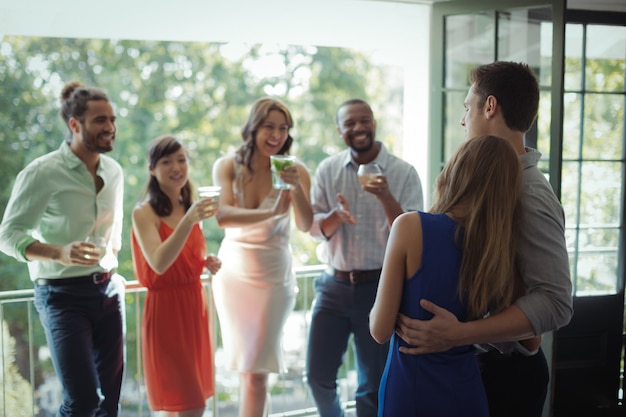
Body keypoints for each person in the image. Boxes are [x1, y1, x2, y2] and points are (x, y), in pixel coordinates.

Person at [395, 61, 573, 417]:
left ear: (489, 107)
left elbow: (556, 303)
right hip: (468, 369)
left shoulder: (530, 193)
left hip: (505, 377)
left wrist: (459, 334)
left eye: (466, 108)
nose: (463, 121)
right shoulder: (482, 183)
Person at [371, 134, 529, 417]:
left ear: (456, 171)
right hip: (466, 393)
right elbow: (532, 339)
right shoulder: (502, 249)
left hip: (410, 391)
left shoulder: (410, 226)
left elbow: (380, 330)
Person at [0, 82, 125, 416]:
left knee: (110, 402)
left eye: (112, 119)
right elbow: (8, 234)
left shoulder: (114, 172)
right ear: (75, 125)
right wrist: (58, 252)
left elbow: (115, 232)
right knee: (83, 400)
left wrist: (112, 267)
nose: (110, 127)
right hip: (62, 296)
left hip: (109, 292)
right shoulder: (43, 172)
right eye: (100, 120)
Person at [306, 98, 423, 417]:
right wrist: (335, 216)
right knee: (317, 378)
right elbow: (314, 228)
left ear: (374, 122)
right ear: (339, 130)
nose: (358, 127)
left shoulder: (403, 172)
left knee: (371, 386)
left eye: (365, 120)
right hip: (333, 287)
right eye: (350, 123)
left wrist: (386, 197)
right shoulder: (328, 170)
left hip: (380, 288)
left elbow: (414, 235)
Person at [211, 97, 313, 417]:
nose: (276, 135)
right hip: (233, 278)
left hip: (273, 278)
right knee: (248, 371)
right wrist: (269, 211)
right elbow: (223, 216)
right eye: (269, 126)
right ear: (253, 127)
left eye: (283, 128)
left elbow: (306, 224)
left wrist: (296, 189)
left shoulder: (293, 169)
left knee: (257, 372)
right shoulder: (227, 165)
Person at [130, 135, 221, 416]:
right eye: (166, 161)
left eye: (181, 159)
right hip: (166, 313)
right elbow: (158, 263)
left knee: (180, 407)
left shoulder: (190, 206)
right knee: (191, 405)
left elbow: (182, 255)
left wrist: (203, 262)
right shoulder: (143, 212)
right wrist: (189, 220)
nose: (176, 167)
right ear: (152, 169)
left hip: (194, 306)